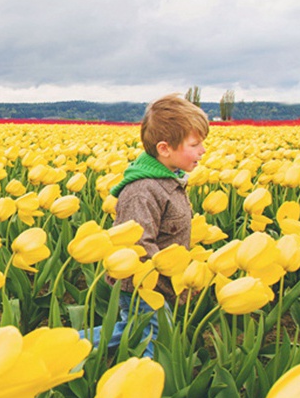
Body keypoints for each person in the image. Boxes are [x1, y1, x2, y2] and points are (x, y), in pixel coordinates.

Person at [81, 93, 208, 357]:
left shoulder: (170, 181)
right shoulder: (143, 192)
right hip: (144, 284)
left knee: (129, 331)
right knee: (154, 340)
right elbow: (138, 246)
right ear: (164, 149)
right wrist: (170, 282)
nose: (202, 150)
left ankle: (67, 346)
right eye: (195, 144)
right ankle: (145, 380)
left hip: (158, 282)